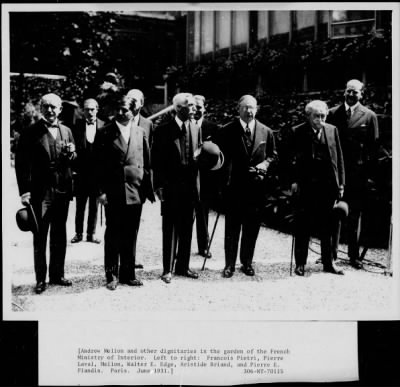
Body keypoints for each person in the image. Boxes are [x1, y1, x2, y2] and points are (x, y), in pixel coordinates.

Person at [15, 93, 76, 294]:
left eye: (54, 107)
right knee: (40, 235)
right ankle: (41, 279)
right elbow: (22, 165)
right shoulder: (30, 132)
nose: (50, 110)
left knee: (60, 234)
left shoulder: (67, 130)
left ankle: (57, 274)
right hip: (40, 193)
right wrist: (24, 192)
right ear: (41, 109)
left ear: (60, 110)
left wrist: (72, 153)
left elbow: (73, 159)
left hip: (62, 191)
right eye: (46, 106)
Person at [94, 93, 154, 290]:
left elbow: (146, 163)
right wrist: (101, 192)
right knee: (113, 234)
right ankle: (111, 275)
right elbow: (98, 166)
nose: (120, 113)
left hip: (135, 192)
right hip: (114, 192)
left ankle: (129, 274)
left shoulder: (139, 132)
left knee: (131, 234)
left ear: (134, 111)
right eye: (118, 109)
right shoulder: (104, 132)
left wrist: (147, 190)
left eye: (125, 110)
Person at [215, 95, 277, 278]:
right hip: (234, 188)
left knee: (252, 227)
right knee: (232, 228)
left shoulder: (266, 131)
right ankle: (229, 264)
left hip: (256, 188)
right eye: (245, 108)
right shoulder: (226, 130)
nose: (249, 111)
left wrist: (264, 165)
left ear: (257, 109)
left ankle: (247, 262)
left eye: (252, 108)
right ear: (238, 109)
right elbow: (220, 159)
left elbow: (273, 155)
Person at [327, 79, 379, 269]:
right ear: (344, 92)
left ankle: (353, 256)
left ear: (361, 94)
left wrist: (370, 176)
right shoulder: (332, 114)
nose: (351, 95)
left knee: (354, 216)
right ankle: (330, 254)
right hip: (335, 174)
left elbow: (373, 149)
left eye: (355, 92)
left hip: (358, 176)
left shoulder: (369, 116)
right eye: (348, 91)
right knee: (333, 212)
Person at [291, 100, 345, 276]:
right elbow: (290, 161)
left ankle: (329, 263)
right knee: (303, 226)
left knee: (327, 227)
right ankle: (300, 264)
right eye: (316, 116)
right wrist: (293, 181)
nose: (319, 119)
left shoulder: (332, 130)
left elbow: (339, 159)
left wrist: (341, 183)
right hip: (306, 186)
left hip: (327, 187)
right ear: (308, 116)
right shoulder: (298, 132)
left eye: (323, 115)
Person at [151, 92, 201, 284]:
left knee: (187, 227)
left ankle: (183, 266)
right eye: (190, 105)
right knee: (170, 228)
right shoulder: (163, 130)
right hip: (171, 187)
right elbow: (157, 161)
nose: (194, 108)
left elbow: (198, 155)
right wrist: (158, 186)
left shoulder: (196, 128)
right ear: (178, 108)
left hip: (190, 188)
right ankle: (167, 269)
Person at [70, 99, 105, 244]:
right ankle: (78, 233)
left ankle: (91, 234)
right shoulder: (76, 125)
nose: (89, 112)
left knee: (94, 206)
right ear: (83, 111)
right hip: (81, 173)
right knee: (80, 205)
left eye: (92, 109)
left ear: (97, 109)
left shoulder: (104, 125)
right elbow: (72, 147)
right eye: (86, 109)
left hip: (97, 174)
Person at [193, 95, 219, 259]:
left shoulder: (213, 128)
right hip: (187, 177)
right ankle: (182, 247)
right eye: (194, 107)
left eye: (199, 107)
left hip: (205, 178)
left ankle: (204, 246)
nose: (196, 110)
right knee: (185, 214)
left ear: (205, 109)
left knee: (203, 213)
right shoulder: (185, 126)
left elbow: (218, 156)